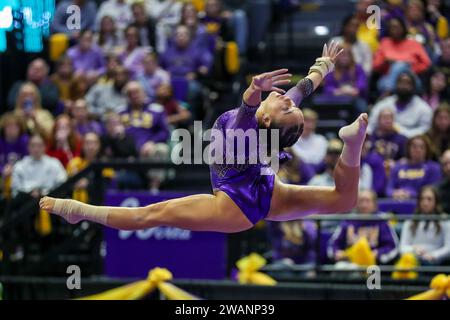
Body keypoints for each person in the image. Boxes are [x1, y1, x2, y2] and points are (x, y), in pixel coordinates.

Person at [41, 41, 369, 235]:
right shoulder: (274, 120)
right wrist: (321, 68)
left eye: (286, 106)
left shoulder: (246, 128)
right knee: (344, 200)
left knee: (149, 216)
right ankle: (351, 145)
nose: (287, 98)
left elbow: (247, 107)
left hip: (236, 204)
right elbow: (301, 91)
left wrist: (255, 89)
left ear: (268, 118)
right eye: (288, 103)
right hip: (267, 189)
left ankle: (79, 210)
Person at [328, 190, 399, 265]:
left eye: (367, 201)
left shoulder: (382, 220)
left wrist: (378, 254)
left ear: (374, 204)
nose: (364, 205)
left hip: (374, 264)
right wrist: (337, 253)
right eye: (361, 201)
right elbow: (333, 244)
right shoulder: (348, 220)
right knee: (340, 267)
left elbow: (392, 247)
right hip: (349, 262)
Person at [373, 17, 431, 94]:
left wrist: (411, 68)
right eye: (391, 27)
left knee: (401, 65)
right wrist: (386, 62)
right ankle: (390, 90)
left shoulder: (414, 43)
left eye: (396, 27)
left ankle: (388, 92)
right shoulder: (385, 43)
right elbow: (375, 65)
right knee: (396, 67)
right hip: (387, 77)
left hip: (410, 79)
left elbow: (427, 63)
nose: (394, 30)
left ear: (403, 28)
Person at [367, 72, 433, 138]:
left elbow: (425, 130)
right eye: (401, 82)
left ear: (414, 87)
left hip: (409, 143)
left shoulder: (423, 108)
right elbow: (371, 125)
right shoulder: (385, 103)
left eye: (408, 83)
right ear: (396, 85)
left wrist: (401, 131)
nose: (404, 86)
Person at [399, 186, 450, 265]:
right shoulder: (409, 222)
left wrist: (433, 255)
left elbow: (448, 248)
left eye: (429, 199)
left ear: (436, 201)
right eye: (422, 199)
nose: (425, 203)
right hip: (413, 259)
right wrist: (413, 249)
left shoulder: (445, 221)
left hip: (436, 261)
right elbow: (402, 248)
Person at [386, 135, 442, 199]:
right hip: (397, 200)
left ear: (427, 150)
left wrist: (410, 194)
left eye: (422, 147)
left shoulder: (433, 168)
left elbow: (433, 191)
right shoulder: (398, 167)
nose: (418, 150)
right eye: (414, 147)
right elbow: (388, 189)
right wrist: (394, 193)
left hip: (421, 202)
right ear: (408, 149)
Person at [12, 135, 67, 199]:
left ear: (45, 147)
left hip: (50, 198)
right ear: (28, 147)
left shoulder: (54, 163)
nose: (36, 149)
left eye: (39, 146)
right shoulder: (20, 166)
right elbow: (15, 190)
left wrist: (42, 193)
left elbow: (63, 182)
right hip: (26, 200)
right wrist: (30, 193)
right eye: (33, 146)